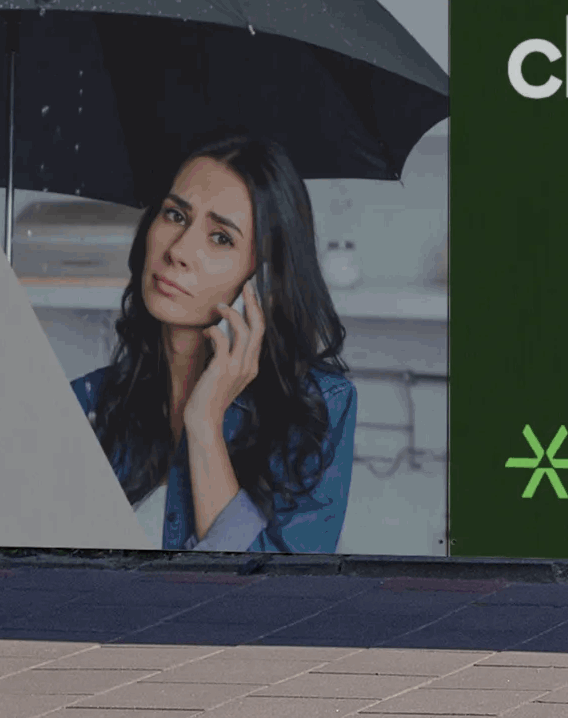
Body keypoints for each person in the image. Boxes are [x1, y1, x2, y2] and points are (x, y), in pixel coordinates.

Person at [73, 132, 357, 553]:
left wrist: (204, 423)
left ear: (264, 279)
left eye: (221, 237)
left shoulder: (318, 413)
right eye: (174, 215)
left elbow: (266, 605)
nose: (179, 250)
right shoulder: (88, 404)